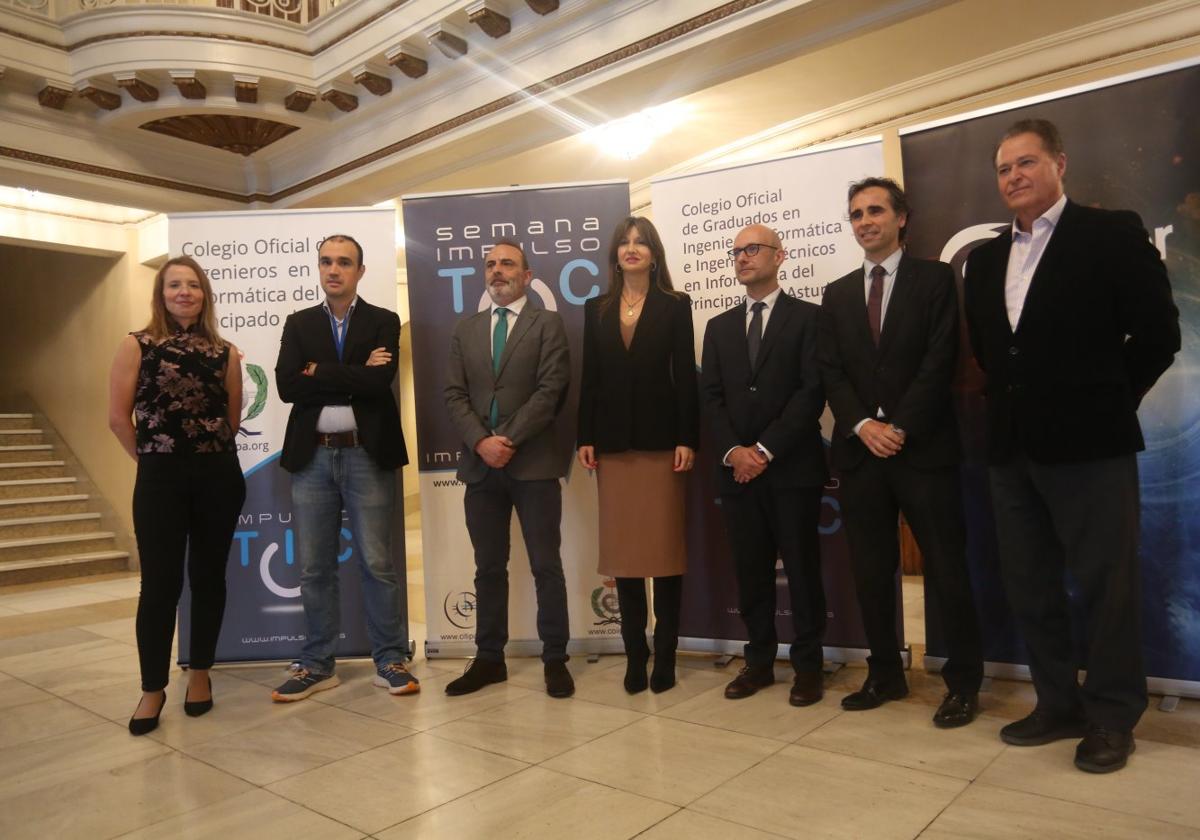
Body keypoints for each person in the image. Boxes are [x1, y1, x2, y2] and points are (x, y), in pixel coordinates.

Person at [964, 118, 1180, 772]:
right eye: (1004, 169)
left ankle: (1113, 716)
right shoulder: (985, 260)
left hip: (1092, 446)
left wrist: (1110, 402)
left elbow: (1158, 335)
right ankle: (1057, 702)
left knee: (1106, 586)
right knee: (1031, 586)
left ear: (1060, 164)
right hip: (1010, 450)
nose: (1014, 177)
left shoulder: (1110, 233)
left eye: (1026, 163)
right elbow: (993, 354)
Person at [818, 177, 984, 726]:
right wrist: (864, 423)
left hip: (923, 450)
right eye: (856, 214)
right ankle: (884, 673)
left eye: (875, 211)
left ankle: (963, 684)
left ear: (901, 217)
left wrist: (900, 426)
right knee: (871, 571)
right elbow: (832, 371)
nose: (865, 221)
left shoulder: (935, 279)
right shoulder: (838, 292)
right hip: (863, 453)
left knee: (946, 569)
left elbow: (941, 359)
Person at [271, 234, 418, 701]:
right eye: (326, 262)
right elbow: (286, 387)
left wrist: (318, 369)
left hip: (365, 455)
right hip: (311, 457)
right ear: (319, 268)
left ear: (359, 270)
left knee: (378, 563)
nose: (334, 269)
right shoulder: (298, 324)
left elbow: (379, 383)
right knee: (315, 567)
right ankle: (317, 663)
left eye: (344, 262)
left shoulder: (384, 320)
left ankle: (391, 658)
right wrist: (346, 372)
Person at [108, 255, 246, 735]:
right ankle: (152, 688)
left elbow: (231, 419)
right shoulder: (137, 345)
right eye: (174, 285)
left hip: (218, 476)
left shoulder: (225, 353)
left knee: (209, 579)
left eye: (192, 285)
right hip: (160, 478)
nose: (184, 292)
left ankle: (201, 675)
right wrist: (151, 461)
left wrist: (201, 457)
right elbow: (117, 418)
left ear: (204, 294)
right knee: (159, 586)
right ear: (161, 294)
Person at [700, 224, 828, 707]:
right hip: (737, 473)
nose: (742, 257)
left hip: (792, 469)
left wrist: (766, 450)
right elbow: (710, 398)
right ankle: (757, 662)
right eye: (736, 252)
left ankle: (809, 667)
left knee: (801, 570)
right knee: (751, 571)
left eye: (753, 249)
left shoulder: (810, 319)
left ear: (780, 256)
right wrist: (735, 452)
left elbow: (811, 393)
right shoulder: (719, 327)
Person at [443, 239, 575, 698]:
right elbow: (454, 395)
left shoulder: (548, 323)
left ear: (526, 274)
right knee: (488, 568)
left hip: (533, 464)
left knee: (545, 566)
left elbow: (551, 389)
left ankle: (555, 658)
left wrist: (508, 440)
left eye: (507, 264)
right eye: (491, 265)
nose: (497, 271)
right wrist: (481, 442)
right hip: (482, 469)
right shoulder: (467, 329)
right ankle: (489, 659)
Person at [577, 217, 699, 694]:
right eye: (625, 243)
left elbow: (684, 377)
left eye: (641, 242)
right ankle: (636, 655)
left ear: (654, 253)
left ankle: (665, 655)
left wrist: (688, 437)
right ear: (615, 254)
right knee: (625, 558)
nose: (632, 249)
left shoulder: (675, 304)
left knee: (665, 554)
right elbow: (592, 378)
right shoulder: (596, 308)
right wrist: (586, 434)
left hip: (661, 445)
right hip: (612, 447)